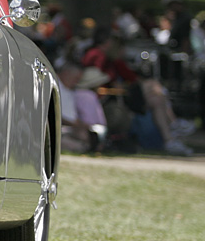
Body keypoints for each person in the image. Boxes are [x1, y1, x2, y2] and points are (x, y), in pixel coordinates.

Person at [82, 27, 194, 156]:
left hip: (119, 94)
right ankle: (172, 127)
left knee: (157, 99)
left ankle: (170, 137)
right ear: (107, 41)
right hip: (109, 97)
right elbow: (95, 78)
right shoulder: (97, 55)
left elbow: (128, 76)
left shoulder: (109, 57)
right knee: (152, 86)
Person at [57, 63, 109, 153]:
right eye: (76, 78)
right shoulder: (85, 95)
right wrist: (81, 125)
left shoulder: (70, 91)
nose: (76, 82)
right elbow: (64, 117)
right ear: (66, 74)